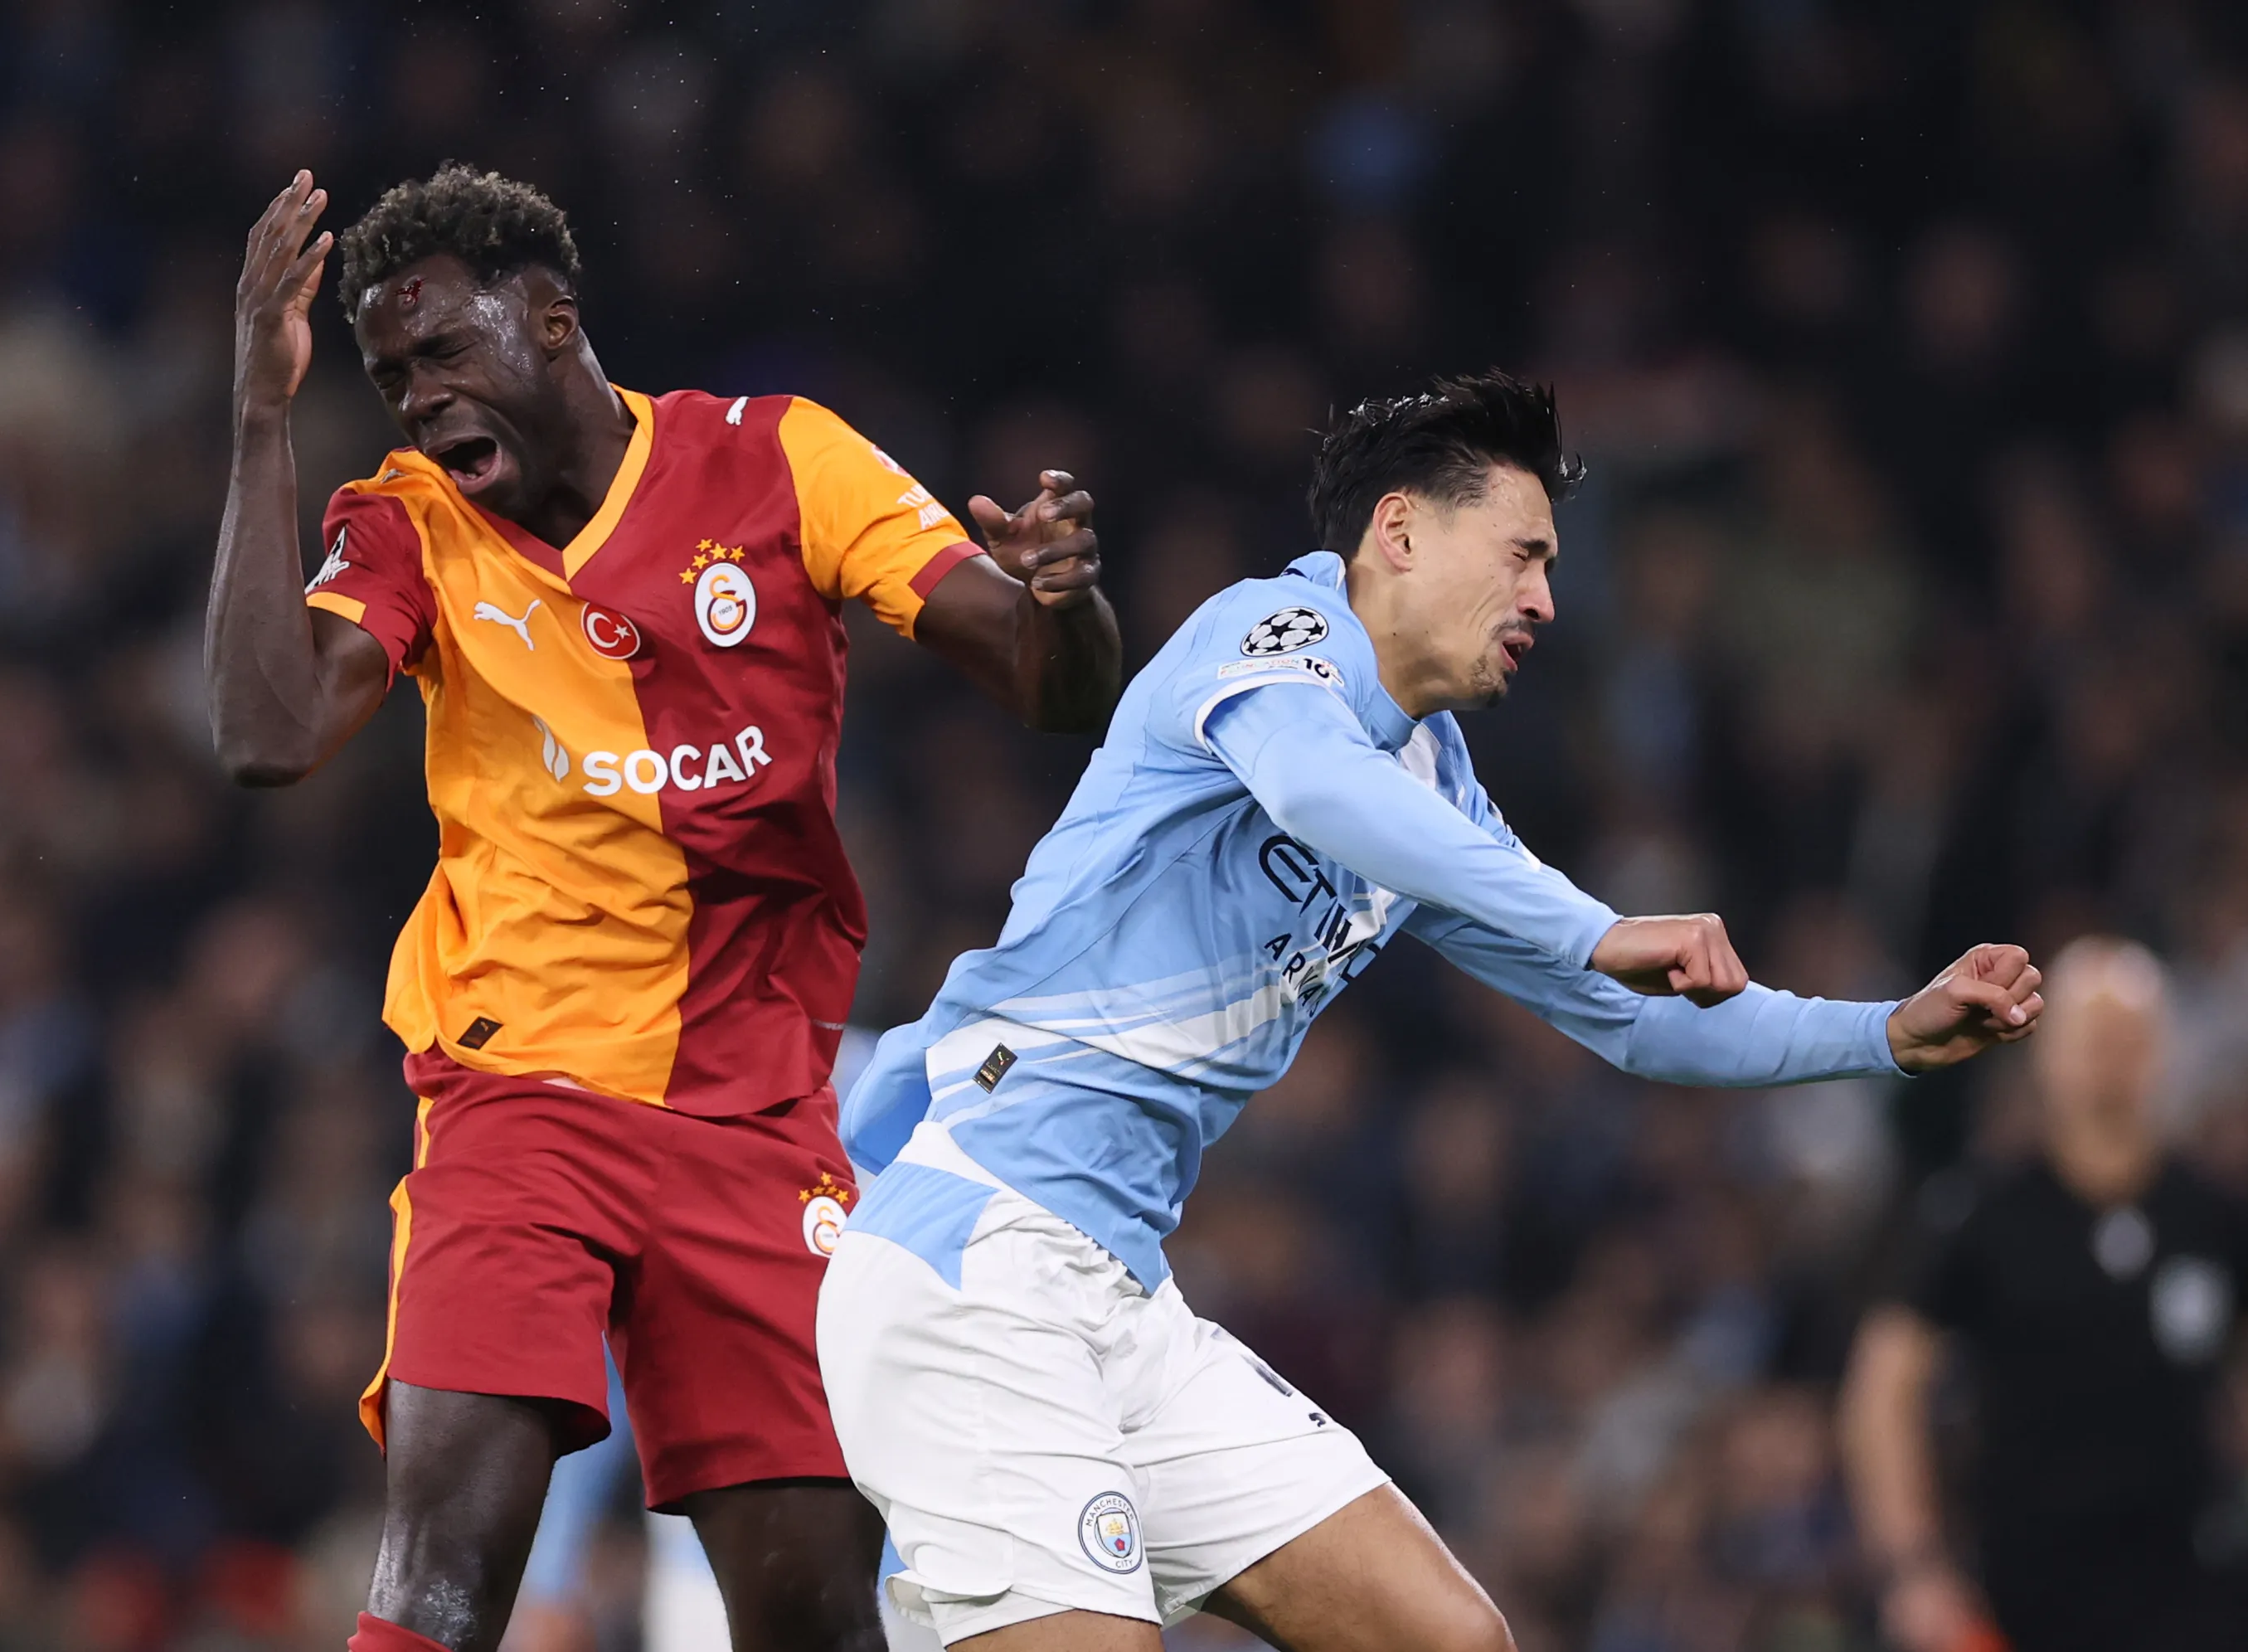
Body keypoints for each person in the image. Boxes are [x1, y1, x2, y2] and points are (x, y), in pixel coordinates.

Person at [823, 377, 2045, 1651]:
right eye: (1521, 554)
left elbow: (1630, 1018)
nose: (1544, 601)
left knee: (1450, 1640)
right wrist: (1587, 923)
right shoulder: (1267, 634)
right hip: (973, 1255)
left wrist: (1883, 1035)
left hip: (1117, 1299)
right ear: (1397, 534)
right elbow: (1313, 789)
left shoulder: (1430, 780)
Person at [207, 163, 1120, 1652]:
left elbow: (1047, 681)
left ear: (555, 323)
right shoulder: (409, 524)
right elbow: (264, 733)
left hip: (756, 1115)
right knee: (437, 1580)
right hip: (519, 1099)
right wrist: (259, 414)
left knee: (818, 1613)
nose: (419, 400)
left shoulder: (781, 464)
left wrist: (1064, 598)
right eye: (388, 377)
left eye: (443, 355)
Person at [1840, 936, 2248, 1652]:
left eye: (2129, 1038)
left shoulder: (2213, 1216)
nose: (2110, 1060)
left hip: (2191, 1584)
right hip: (2022, 1587)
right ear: (2045, 1053)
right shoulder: (1979, 1214)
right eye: (2093, 1039)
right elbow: (1883, 1388)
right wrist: (1912, 1567)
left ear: (2163, 1053)